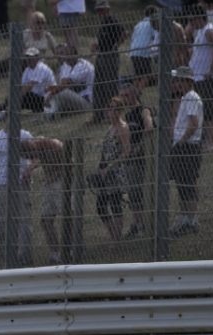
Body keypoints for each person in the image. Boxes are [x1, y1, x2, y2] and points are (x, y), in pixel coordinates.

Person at [0, 127, 35, 268]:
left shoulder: (26, 135)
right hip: (2, 184)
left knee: (25, 221)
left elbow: (36, 155)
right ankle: (2, 260)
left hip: (22, 184)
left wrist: (29, 169)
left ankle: (26, 258)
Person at [168, 65, 204, 237]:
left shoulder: (190, 97)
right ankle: (184, 217)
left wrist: (181, 142)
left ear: (189, 81)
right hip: (184, 145)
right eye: (178, 80)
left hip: (187, 146)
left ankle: (190, 220)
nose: (179, 83)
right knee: (182, 184)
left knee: (187, 184)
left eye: (183, 80)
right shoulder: (186, 97)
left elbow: (194, 123)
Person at [90, 95, 130, 247]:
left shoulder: (122, 128)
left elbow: (126, 151)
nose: (112, 111)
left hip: (115, 172)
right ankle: (114, 235)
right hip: (105, 171)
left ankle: (116, 240)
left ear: (120, 110)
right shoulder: (110, 128)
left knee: (114, 205)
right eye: (110, 108)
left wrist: (110, 167)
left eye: (115, 108)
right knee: (100, 207)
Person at [0, 47, 55, 122]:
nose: (28, 60)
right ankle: (2, 111)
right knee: (21, 95)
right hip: (39, 100)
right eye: (27, 57)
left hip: (49, 100)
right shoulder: (28, 70)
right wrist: (5, 101)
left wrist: (10, 100)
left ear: (37, 58)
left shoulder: (41, 68)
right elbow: (19, 87)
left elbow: (27, 87)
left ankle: (3, 114)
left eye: (31, 57)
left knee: (26, 95)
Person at [186, 5, 213, 151]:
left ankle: (210, 142)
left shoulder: (208, 30)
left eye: (191, 20)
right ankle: (204, 140)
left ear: (199, 18)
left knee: (210, 110)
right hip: (199, 78)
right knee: (203, 109)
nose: (190, 23)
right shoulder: (200, 32)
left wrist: (212, 68)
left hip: (209, 78)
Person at [22, 136, 65, 264]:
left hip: (63, 182)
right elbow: (38, 158)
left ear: (34, 148)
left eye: (31, 156)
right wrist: (31, 168)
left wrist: (50, 177)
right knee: (45, 220)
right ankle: (56, 253)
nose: (31, 160)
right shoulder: (37, 146)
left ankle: (72, 251)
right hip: (49, 183)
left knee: (69, 216)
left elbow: (68, 167)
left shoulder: (54, 145)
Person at [120, 84, 153, 240]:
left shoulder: (143, 110)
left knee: (138, 193)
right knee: (133, 194)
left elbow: (149, 127)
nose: (124, 99)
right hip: (130, 159)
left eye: (126, 95)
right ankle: (137, 223)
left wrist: (138, 146)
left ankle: (141, 225)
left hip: (141, 159)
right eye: (122, 95)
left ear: (135, 95)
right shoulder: (128, 115)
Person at [0, 11, 57, 81]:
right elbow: (17, 47)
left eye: (42, 23)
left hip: (37, 62)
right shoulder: (26, 34)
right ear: (32, 23)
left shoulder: (47, 36)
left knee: (21, 69)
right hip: (24, 58)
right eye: (38, 22)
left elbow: (55, 50)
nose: (40, 25)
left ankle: (7, 74)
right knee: (8, 62)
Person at [90, 0, 126, 124]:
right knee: (98, 87)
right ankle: (98, 116)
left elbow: (125, 32)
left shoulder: (112, 22)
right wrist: (97, 46)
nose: (99, 13)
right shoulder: (103, 24)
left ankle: (114, 116)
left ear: (108, 9)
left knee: (110, 86)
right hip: (101, 56)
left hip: (110, 57)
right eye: (98, 10)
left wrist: (116, 46)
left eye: (101, 10)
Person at [43, 44, 93, 119]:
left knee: (59, 92)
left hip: (87, 103)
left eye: (70, 55)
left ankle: (52, 114)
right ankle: (50, 115)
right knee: (51, 93)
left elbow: (66, 84)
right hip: (77, 99)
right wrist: (51, 89)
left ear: (76, 54)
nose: (67, 58)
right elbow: (64, 83)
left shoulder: (83, 65)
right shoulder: (68, 66)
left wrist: (52, 92)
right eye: (66, 56)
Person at [129, 6, 158, 89]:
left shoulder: (138, 24)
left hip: (133, 51)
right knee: (147, 74)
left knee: (138, 74)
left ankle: (134, 92)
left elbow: (132, 38)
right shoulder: (152, 24)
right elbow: (155, 36)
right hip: (144, 52)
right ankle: (137, 93)